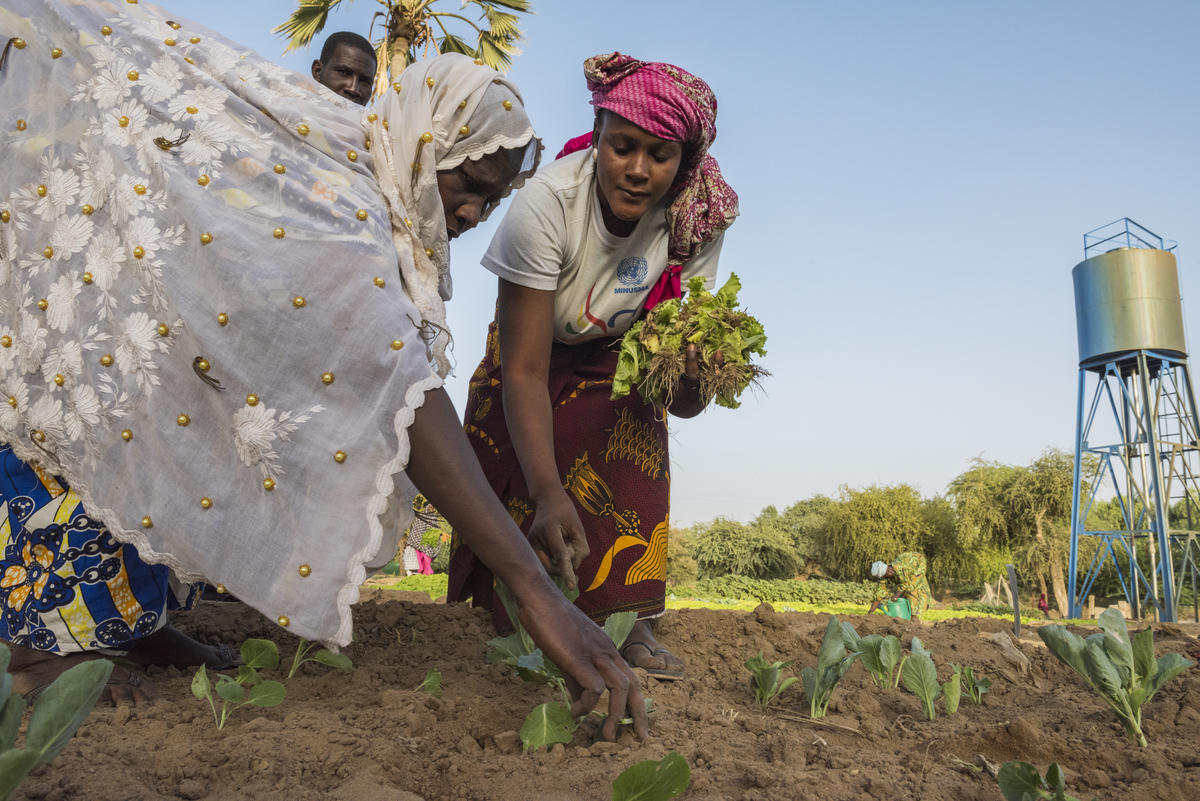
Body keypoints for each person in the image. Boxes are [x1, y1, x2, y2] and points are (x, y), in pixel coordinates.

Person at [0, 1, 646, 739]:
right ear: (427, 143)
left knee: (222, 430)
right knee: (101, 417)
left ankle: (131, 621)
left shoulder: (382, 193)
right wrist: (533, 590)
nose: (472, 212)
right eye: (467, 183)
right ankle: (39, 653)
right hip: (106, 299)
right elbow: (398, 382)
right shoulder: (347, 191)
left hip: (181, 330)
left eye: (492, 199)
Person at [448, 53, 739, 681]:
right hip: (532, 348)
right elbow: (524, 370)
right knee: (524, 477)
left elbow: (681, 393)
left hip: (617, 352)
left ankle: (630, 621)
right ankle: (522, 609)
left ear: (684, 162)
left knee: (633, 438)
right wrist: (549, 491)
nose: (637, 170)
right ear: (599, 137)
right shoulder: (549, 202)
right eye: (622, 147)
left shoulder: (697, 218)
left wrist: (690, 385)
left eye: (659, 155)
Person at [311, 31, 376, 106]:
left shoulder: (377, 117)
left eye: (365, 81)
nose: (353, 89)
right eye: (343, 72)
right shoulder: (295, 110)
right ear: (317, 71)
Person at [867, 553, 932, 618]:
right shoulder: (885, 575)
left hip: (918, 562)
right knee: (902, 590)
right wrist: (870, 612)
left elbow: (908, 583)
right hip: (907, 568)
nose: (888, 577)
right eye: (885, 576)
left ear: (889, 568)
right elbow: (879, 594)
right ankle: (909, 614)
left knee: (913, 589)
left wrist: (896, 595)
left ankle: (914, 616)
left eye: (887, 574)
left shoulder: (902, 568)